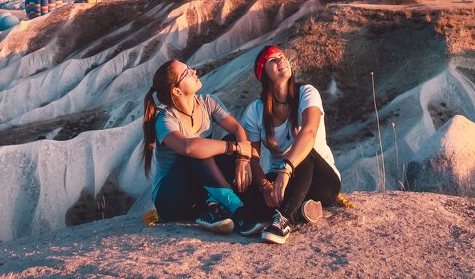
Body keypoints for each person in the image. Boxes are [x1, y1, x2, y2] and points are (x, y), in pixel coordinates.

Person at [142, 59, 264, 237]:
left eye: (190, 68)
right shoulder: (165, 119)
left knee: (219, 143)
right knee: (196, 149)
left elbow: (238, 130)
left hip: (199, 190)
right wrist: (235, 147)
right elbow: (188, 147)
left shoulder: (208, 102)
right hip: (171, 200)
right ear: (176, 90)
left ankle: (211, 209)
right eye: (187, 72)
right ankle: (239, 212)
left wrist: (242, 159)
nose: (194, 71)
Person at [242, 45, 341, 244]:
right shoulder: (255, 110)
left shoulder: (307, 93)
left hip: (322, 179)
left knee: (303, 149)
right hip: (284, 181)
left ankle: (285, 218)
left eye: (282, 56)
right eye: (273, 60)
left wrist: (286, 169)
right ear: (263, 74)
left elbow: (309, 132)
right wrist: (264, 186)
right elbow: (252, 156)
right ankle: (303, 211)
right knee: (247, 193)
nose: (281, 61)